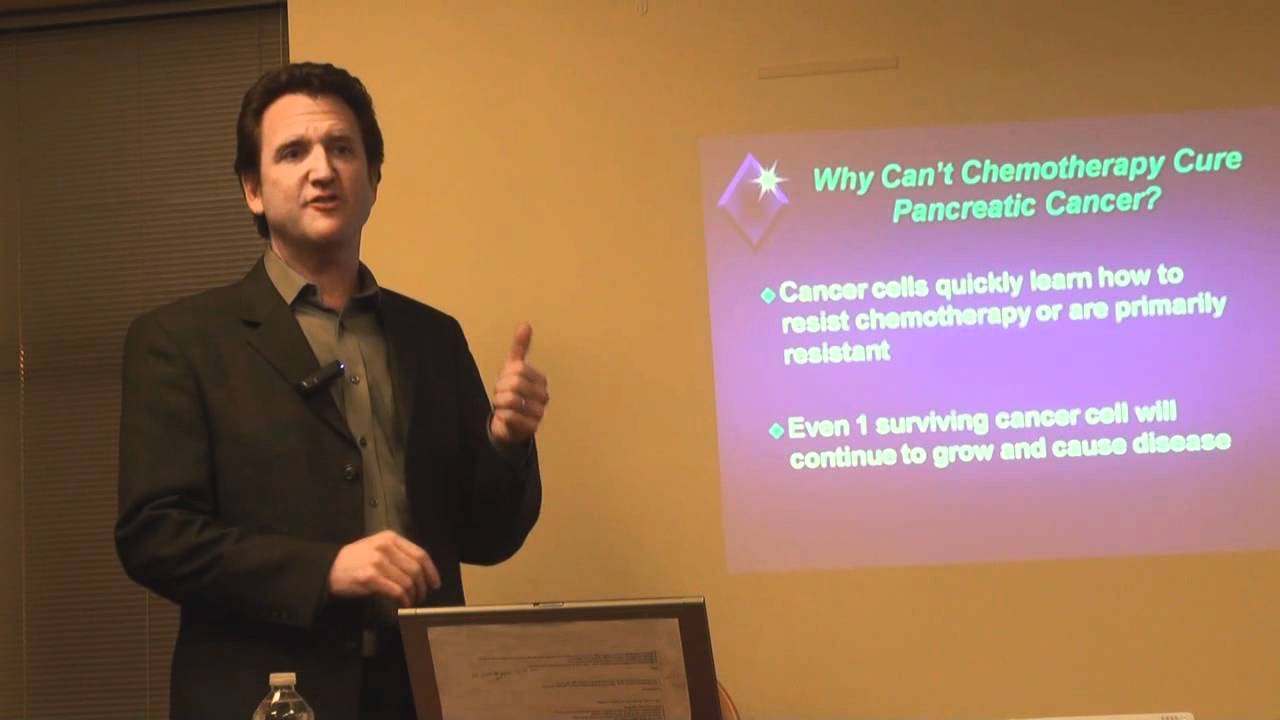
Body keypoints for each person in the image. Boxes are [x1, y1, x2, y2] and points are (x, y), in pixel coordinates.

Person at [114, 61, 548, 720]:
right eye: (293, 152)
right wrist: (326, 570)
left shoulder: (432, 337)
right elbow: (156, 535)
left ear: (373, 181)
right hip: (263, 696)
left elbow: (486, 539)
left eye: (342, 149)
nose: (322, 170)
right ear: (253, 190)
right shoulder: (180, 340)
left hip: (419, 694)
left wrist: (506, 444)